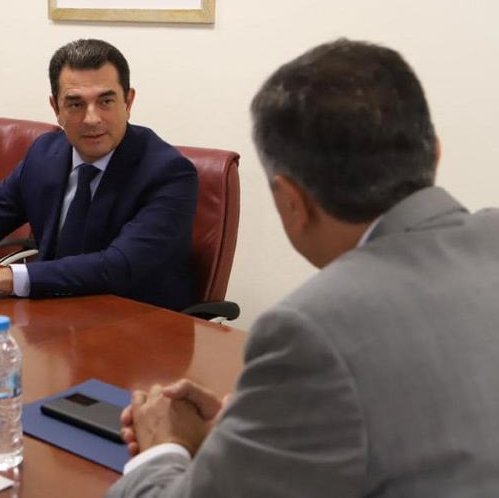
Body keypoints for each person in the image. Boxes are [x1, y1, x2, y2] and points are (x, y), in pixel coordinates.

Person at [108, 39, 499, 497]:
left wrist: (161, 449)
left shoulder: (313, 330)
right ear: (435, 153)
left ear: (291, 201)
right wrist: (258, 431)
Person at [0, 38, 198, 310]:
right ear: (55, 108)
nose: (92, 118)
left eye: (106, 101)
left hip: (135, 326)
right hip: (52, 316)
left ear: (128, 102)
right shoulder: (46, 153)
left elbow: (118, 266)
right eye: (75, 104)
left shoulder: (169, 173)